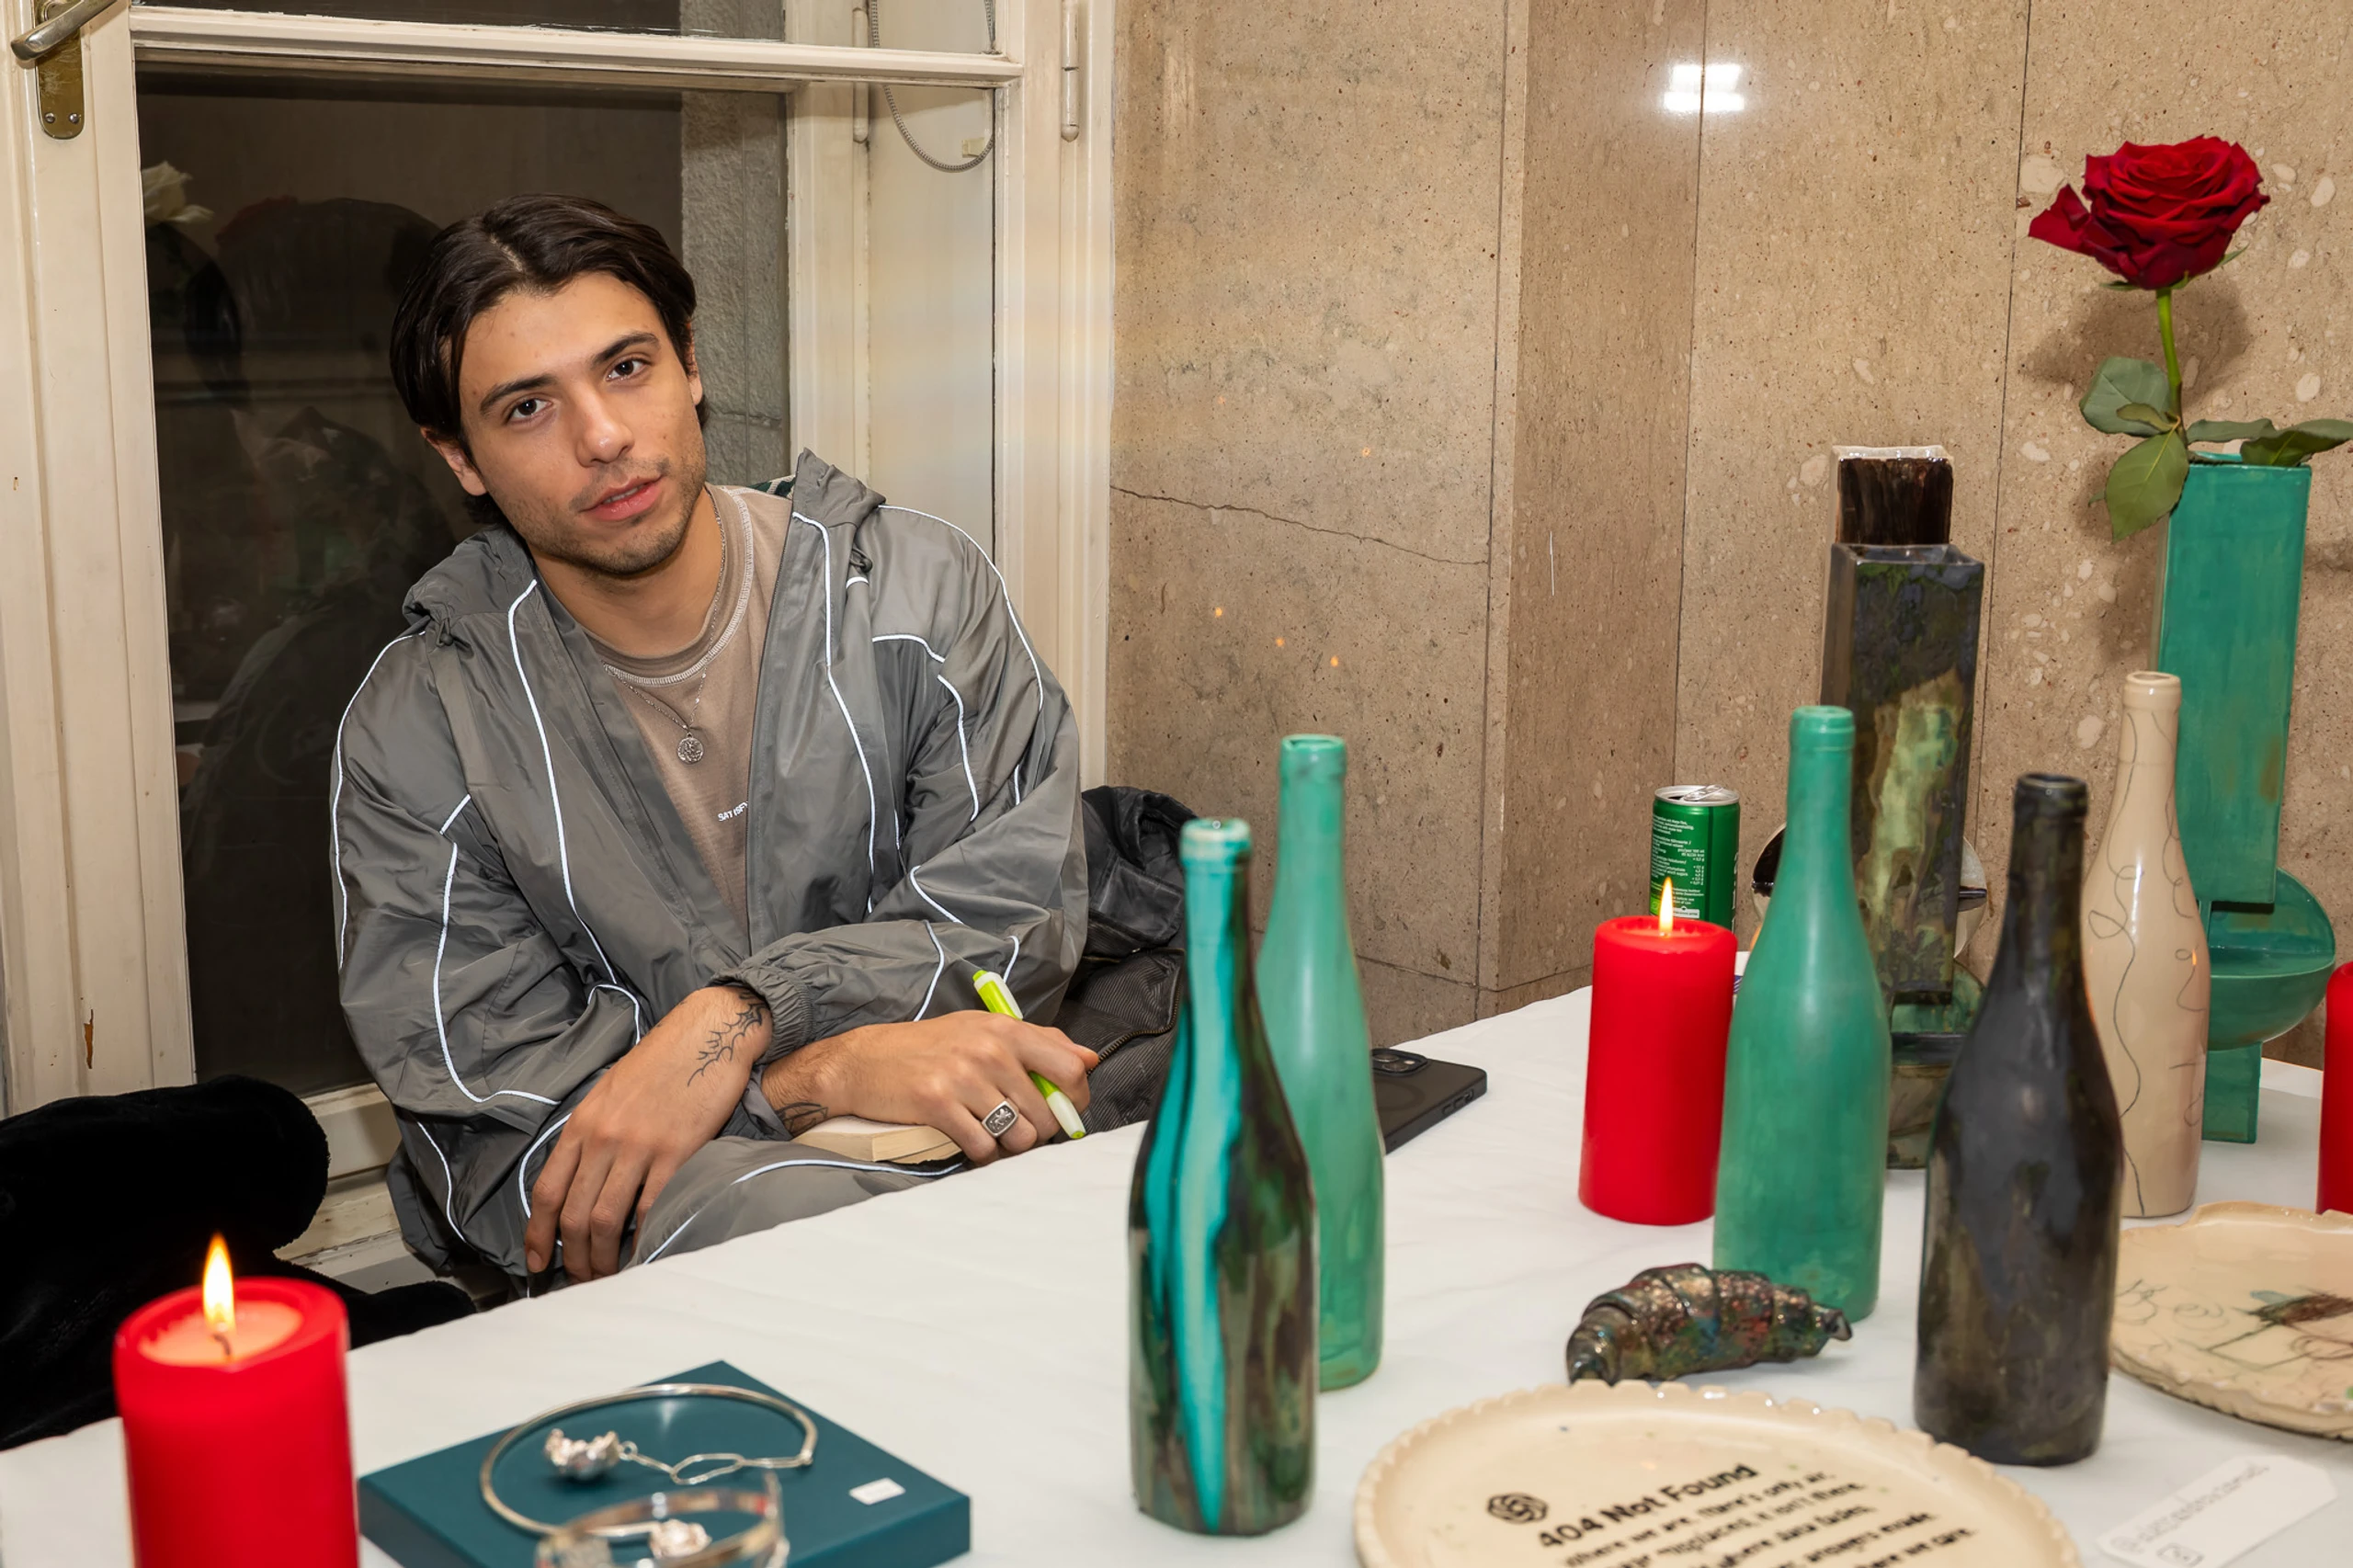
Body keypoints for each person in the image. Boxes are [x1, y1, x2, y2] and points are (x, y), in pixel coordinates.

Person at [335, 193, 1093, 1290]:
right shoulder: (424, 731)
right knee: (801, 1231)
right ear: (460, 457)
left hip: (964, 1157)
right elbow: (514, 1152)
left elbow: (1014, 926)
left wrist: (749, 1014)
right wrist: (811, 1075)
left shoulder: (911, 594)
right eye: (527, 408)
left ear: (690, 362)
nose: (603, 437)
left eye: (626, 367)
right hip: (675, 1264)